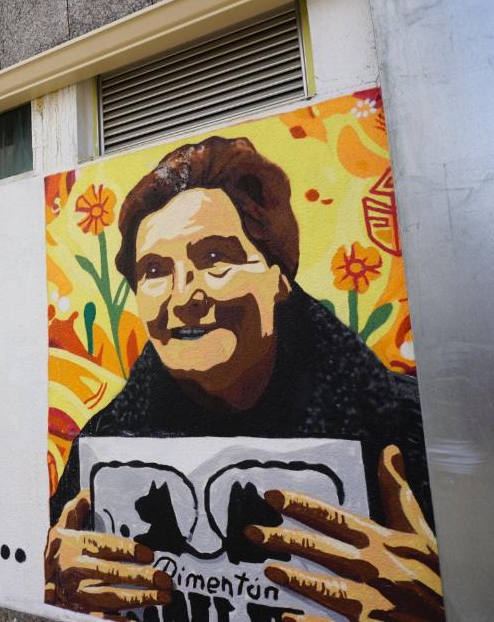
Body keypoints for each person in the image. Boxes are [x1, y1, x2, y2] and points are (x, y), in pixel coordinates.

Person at [45, 137, 442, 620]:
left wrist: (443, 605)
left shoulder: (407, 425)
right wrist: (60, 591)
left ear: (279, 278)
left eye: (214, 259)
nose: (183, 295)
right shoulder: (103, 445)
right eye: (154, 270)